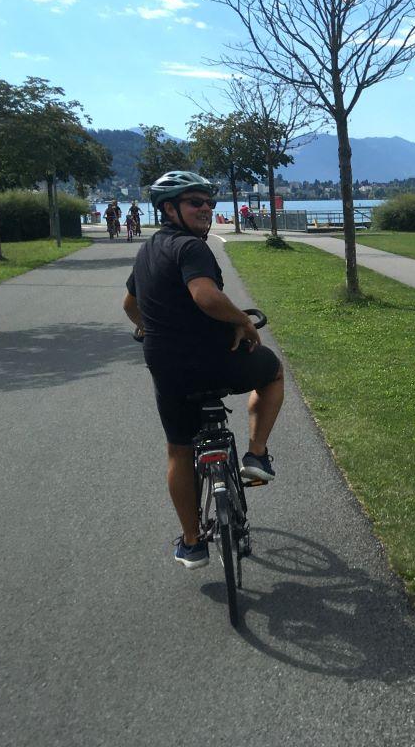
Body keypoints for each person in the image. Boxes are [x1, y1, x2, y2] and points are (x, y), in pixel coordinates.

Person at [122, 171, 284, 569]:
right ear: (168, 208)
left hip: (169, 371)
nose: (206, 209)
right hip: (215, 363)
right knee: (273, 373)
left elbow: (129, 305)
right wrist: (242, 323)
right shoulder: (191, 248)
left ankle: (192, 543)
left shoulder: (147, 252)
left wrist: (152, 327)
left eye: (209, 202)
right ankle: (256, 455)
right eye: (195, 202)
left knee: (179, 449)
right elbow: (206, 296)